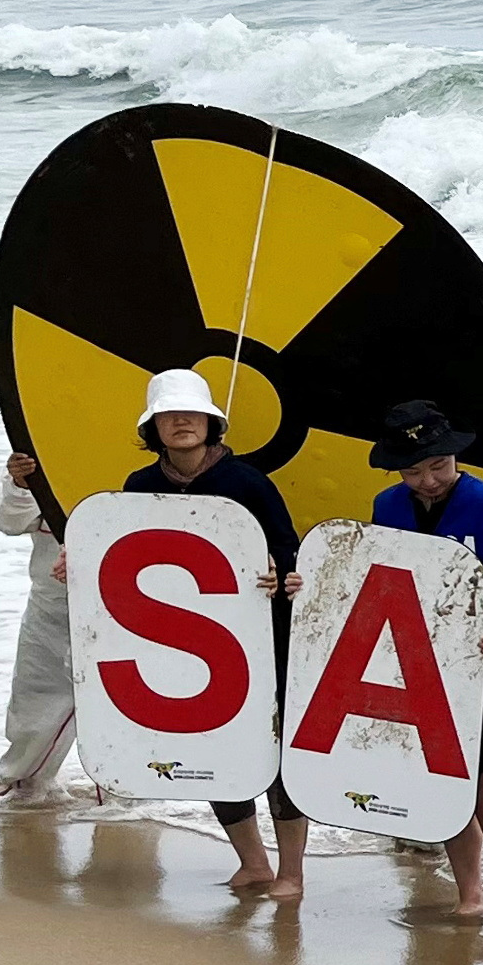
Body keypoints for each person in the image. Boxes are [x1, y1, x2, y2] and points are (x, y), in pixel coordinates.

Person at [117, 372, 307, 898]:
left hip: (261, 637)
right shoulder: (138, 486)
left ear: (211, 422)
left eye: (192, 414)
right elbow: (124, 556)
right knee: (213, 751)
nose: (181, 422)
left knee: (274, 751)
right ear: (152, 426)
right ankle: (253, 864)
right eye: (169, 415)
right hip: (179, 641)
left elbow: (290, 551)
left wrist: (282, 572)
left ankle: (292, 871)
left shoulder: (248, 483)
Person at [369, 399, 483, 926]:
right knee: (441, 784)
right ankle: (469, 892)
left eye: (438, 467)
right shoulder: (385, 507)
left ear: (456, 458)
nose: (428, 480)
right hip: (418, 671)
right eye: (415, 470)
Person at [0, 449, 75, 803]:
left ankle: (126, 800)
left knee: (127, 706)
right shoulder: (45, 445)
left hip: (136, 600)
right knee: (34, 693)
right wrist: (20, 482)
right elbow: (9, 521)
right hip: (53, 599)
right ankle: (23, 785)